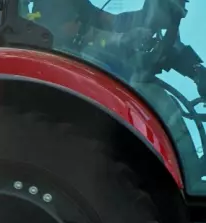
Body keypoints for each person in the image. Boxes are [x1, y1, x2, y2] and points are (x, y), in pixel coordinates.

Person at [30, 0, 206, 185]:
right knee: (154, 99)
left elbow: (110, 21)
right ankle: (186, 180)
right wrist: (122, 39)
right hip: (70, 70)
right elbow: (66, 31)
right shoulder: (51, 4)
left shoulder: (79, 4)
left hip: (89, 68)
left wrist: (148, 19)